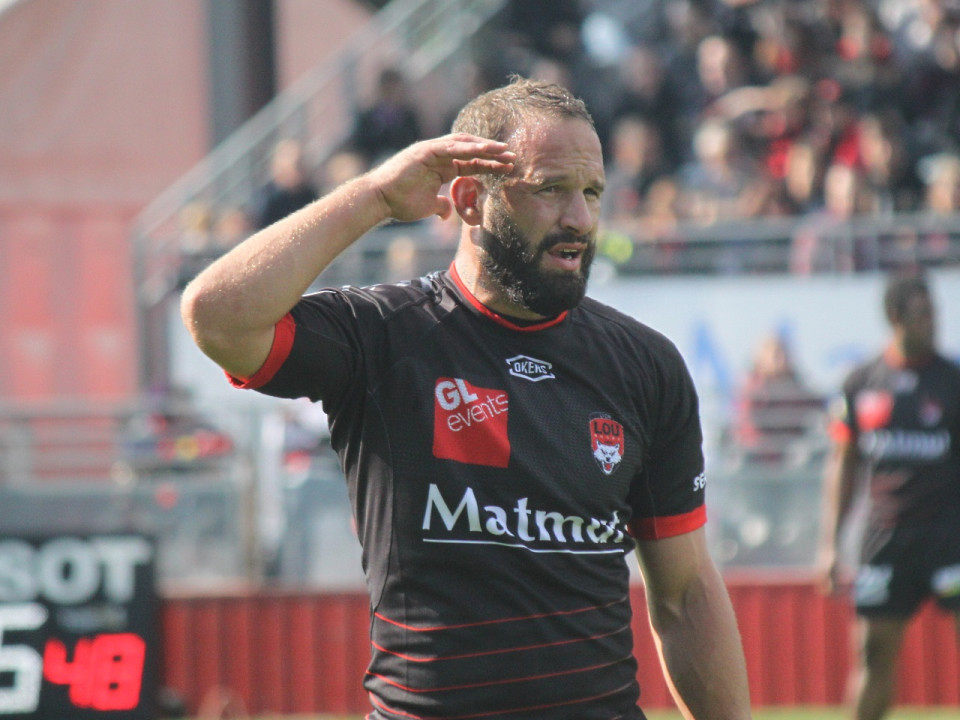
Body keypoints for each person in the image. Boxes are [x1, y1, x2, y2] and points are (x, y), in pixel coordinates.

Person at [181, 76, 751, 719]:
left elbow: (685, 595)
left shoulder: (646, 366)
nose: (580, 219)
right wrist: (374, 196)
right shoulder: (383, 335)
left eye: (591, 191)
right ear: (470, 200)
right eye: (550, 189)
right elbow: (218, 316)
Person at [818, 273, 960, 720]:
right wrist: (828, 546)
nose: (934, 322)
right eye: (923, 314)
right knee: (873, 656)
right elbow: (843, 467)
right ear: (895, 318)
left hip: (949, 538)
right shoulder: (861, 382)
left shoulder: (953, 381)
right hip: (885, 539)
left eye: (934, 312)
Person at [250, 139, 319, 230]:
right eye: (296, 165)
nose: (300, 169)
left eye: (300, 163)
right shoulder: (267, 199)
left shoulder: (309, 194)